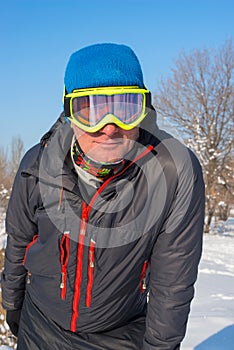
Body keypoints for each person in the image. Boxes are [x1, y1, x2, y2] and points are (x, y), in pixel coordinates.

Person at [1, 43, 205, 350]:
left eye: (125, 108)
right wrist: (12, 303)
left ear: (143, 110)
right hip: (39, 325)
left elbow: (172, 278)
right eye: (91, 110)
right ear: (69, 113)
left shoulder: (172, 173)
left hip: (119, 334)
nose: (109, 128)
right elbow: (19, 238)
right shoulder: (39, 162)